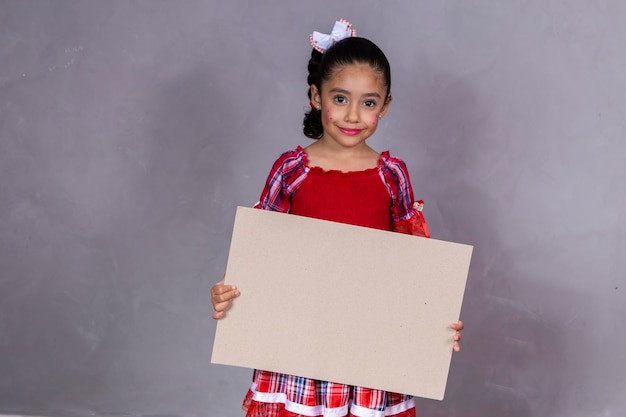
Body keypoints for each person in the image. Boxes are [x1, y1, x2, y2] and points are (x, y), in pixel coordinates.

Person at [211, 19, 464, 417]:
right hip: (300, 350)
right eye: (340, 98)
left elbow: (412, 264)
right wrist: (230, 292)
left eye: (368, 102)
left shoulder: (391, 175)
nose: (352, 115)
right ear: (316, 96)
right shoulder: (292, 170)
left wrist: (432, 320)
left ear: (385, 106)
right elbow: (260, 255)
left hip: (370, 352)